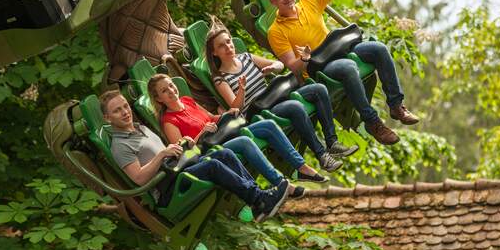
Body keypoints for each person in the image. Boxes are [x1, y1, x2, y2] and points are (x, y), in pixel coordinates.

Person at [265, 0, 420, 145]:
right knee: (347, 67)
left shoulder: (309, 2)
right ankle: (373, 122)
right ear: (273, 2)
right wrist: (306, 58)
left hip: (338, 49)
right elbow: (293, 67)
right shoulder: (275, 31)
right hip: (318, 68)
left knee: (378, 48)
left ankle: (396, 106)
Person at [101, 91, 290, 222]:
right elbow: (139, 178)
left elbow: (164, 154)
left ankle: (258, 201)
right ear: (107, 118)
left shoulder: (140, 128)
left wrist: (181, 144)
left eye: (125, 106)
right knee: (212, 165)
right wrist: (162, 155)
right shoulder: (120, 145)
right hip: (167, 189)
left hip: (177, 169)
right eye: (117, 110)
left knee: (223, 153)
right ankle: (260, 199)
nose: (125, 112)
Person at [204, 19, 359, 174]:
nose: (228, 47)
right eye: (221, 46)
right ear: (214, 53)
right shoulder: (220, 78)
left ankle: (332, 143)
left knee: (318, 89)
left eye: (228, 41)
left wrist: (272, 67)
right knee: (295, 106)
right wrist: (242, 90)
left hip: (276, 97)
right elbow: (236, 107)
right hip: (260, 112)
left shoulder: (246, 57)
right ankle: (322, 156)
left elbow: (280, 65)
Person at [148, 74, 320, 186]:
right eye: (164, 90)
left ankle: (301, 168)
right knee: (245, 141)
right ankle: (280, 183)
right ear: (159, 99)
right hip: (211, 150)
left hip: (224, 134)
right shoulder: (169, 121)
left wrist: (227, 114)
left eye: (171, 85)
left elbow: (211, 118)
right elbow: (184, 153)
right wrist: (202, 133)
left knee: (268, 125)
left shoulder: (187, 101)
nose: (171, 91)